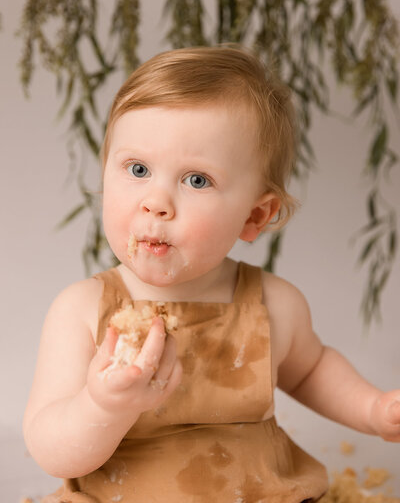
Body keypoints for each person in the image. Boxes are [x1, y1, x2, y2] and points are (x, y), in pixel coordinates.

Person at [24, 46, 400, 503]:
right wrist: (103, 405)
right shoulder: (83, 309)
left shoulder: (273, 304)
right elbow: (51, 450)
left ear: (254, 217)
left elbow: (312, 370)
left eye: (196, 180)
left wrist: (372, 410)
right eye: (138, 169)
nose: (156, 201)